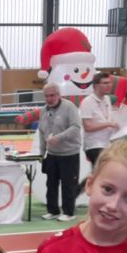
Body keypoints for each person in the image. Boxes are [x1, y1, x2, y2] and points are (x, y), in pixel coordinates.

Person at [37, 83, 83, 222]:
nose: (49, 98)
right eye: (46, 96)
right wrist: (42, 153)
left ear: (58, 95)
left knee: (68, 185)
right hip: (52, 154)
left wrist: (58, 138)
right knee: (51, 184)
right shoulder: (43, 111)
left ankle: (69, 212)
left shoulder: (69, 107)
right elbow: (42, 132)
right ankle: (53, 211)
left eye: (52, 95)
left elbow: (76, 127)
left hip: (69, 153)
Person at [80, 72, 120, 167]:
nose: (109, 85)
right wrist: (109, 124)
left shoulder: (107, 99)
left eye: (110, 82)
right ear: (96, 86)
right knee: (102, 171)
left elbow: (107, 118)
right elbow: (87, 127)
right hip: (94, 145)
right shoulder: (87, 101)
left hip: (107, 143)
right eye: (105, 83)